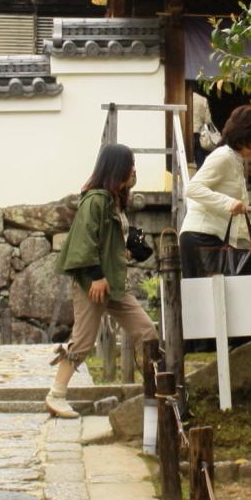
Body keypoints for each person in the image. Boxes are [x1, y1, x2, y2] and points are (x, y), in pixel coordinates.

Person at [48, 142, 158, 419]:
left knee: (147, 331)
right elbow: (84, 241)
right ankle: (56, 395)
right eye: (131, 165)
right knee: (83, 341)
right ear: (118, 168)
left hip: (114, 283)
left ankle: (155, 389)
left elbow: (109, 241)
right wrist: (96, 276)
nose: (134, 170)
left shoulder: (114, 200)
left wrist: (128, 250)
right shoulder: (96, 200)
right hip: (93, 283)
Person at [179, 103, 251, 277]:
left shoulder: (235, 161)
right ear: (245, 135)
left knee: (220, 292)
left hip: (214, 238)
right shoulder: (223, 156)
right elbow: (192, 188)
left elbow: (237, 214)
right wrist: (228, 203)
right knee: (209, 293)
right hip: (201, 236)